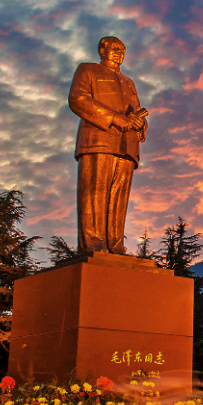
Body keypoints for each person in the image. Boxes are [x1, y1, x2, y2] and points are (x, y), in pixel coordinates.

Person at [68, 36, 148, 254]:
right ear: (102, 50)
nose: (119, 52)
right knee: (94, 193)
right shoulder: (88, 70)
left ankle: (115, 244)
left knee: (119, 199)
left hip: (127, 146)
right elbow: (78, 99)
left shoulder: (129, 82)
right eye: (115, 48)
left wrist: (140, 124)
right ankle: (93, 243)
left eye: (122, 49)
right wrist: (114, 118)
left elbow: (136, 110)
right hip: (98, 139)